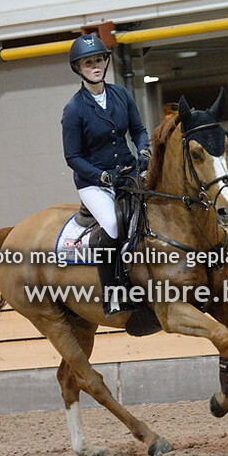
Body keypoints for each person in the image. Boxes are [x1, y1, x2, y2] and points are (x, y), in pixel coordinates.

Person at [61, 34, 150, 315]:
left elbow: (138, 130)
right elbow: (72, 157)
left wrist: (144, 152)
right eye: (88, 62)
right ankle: (113, 293)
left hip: (128, 172)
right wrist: (101, 177)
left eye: (99, 60)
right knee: (112, 224)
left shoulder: (121, 94)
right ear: (79, 68)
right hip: (94, 182)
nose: (95, 66)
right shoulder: (74, 109)